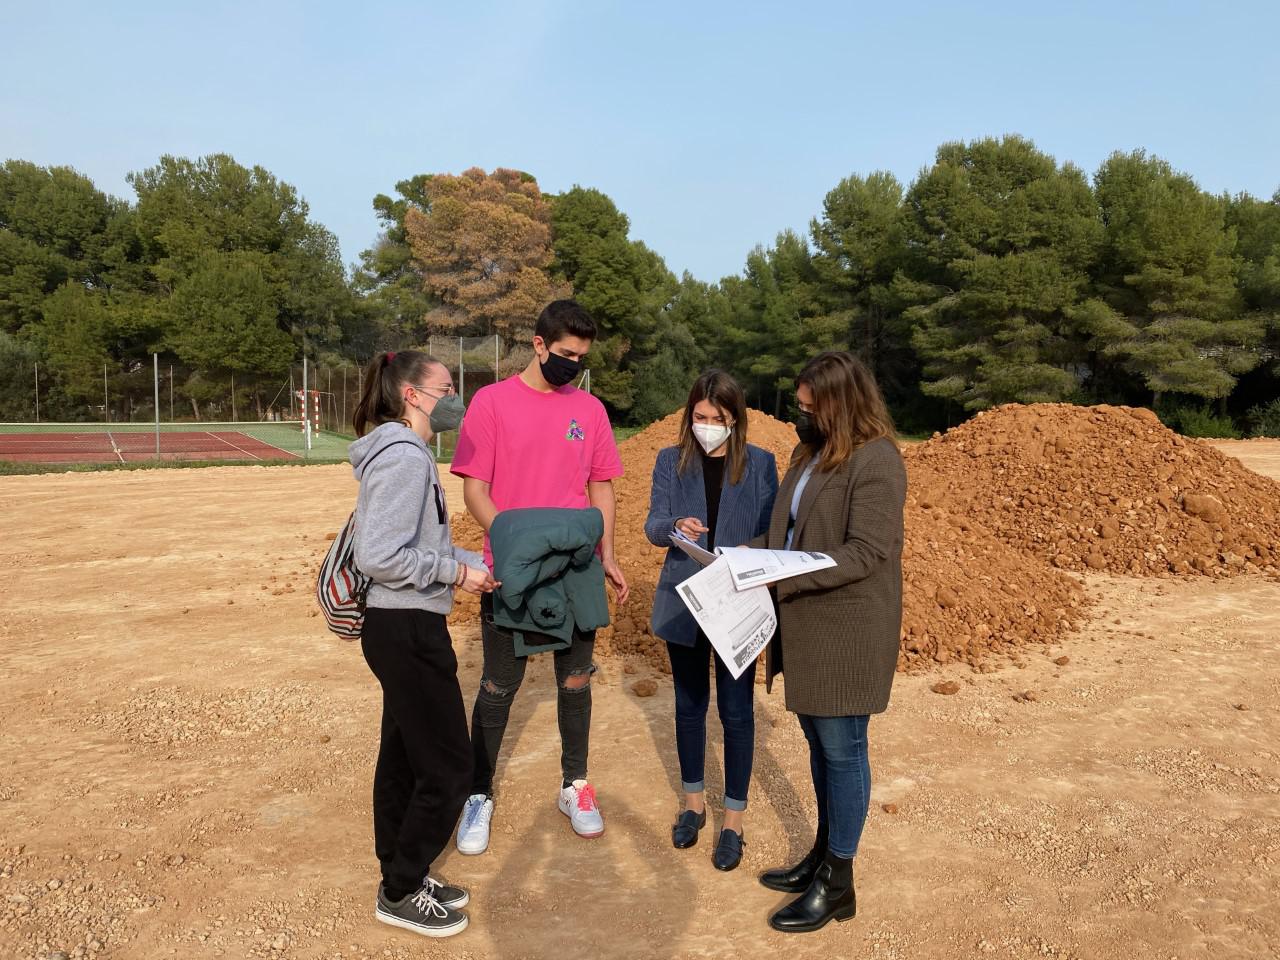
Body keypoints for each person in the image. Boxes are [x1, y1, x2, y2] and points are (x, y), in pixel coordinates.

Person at [450, 300, 628, 854]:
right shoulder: (491, 403)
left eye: (582, 357)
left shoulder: (591, 412)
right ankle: (477, 794)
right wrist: (518, 543)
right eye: (565, 354)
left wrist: (610, 553)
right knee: (499, 686)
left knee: (575, 682)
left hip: (576, 571)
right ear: (537, 343)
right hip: (513, 572)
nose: (573, 364)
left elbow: (602, 486)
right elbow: (475, 488)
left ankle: (575, 785)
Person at [753, 351, 906, 934]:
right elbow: (785, 532)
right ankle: (823, 854)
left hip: (848, 630)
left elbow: (868, 551)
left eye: (812, 408)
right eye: (801, 407)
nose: (803, 416)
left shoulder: (878, 461)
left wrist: (778, 573)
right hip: (808, 622)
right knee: (820, 747)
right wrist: (738, 554)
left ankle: (839, 883)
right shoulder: (809, 453)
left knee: (843, 751)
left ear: (843, 404)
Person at [348, 350, 497, 939]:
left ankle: (400, 872)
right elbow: (380, 556)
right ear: (412, 394)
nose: (455, 396)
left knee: (406, 756)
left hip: (404, 623)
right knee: (450, 766)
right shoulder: (405, 459)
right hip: (406, 627)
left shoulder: (402, 454)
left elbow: (413, 546)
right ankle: (401, 888)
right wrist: (458, 574)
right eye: (447, 385)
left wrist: (472, 561)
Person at [643, 370, 777, 871]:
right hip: (686, 597)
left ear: (735, 420)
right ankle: (694, 803)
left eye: (717, 419)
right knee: (689, 705)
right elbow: (653, 524)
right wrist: (674, 526)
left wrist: (750, 550)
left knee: (737, 711)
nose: (706, 427)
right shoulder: (669, 461)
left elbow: (774, 532)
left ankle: (733, 820)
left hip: (738, 602)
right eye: (699, 418)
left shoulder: (761, 465)